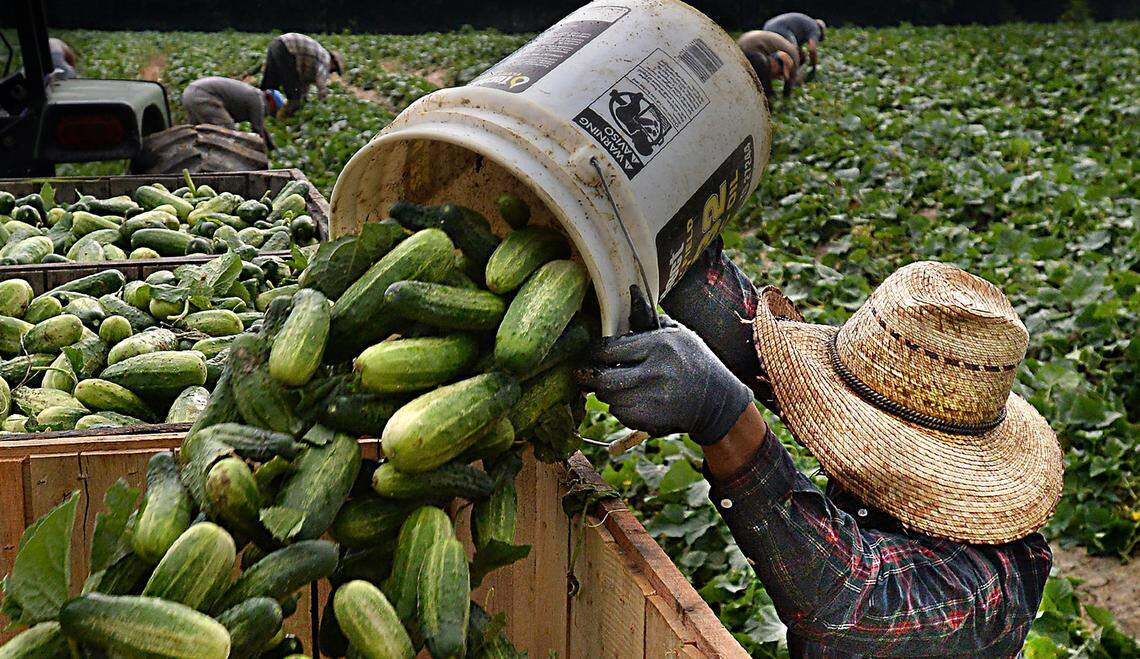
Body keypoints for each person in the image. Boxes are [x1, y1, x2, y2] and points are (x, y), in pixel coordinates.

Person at [580, 239, 1063, 655]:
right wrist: (677, 256)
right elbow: (773, 363)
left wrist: (724, 417)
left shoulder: (991, 588)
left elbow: (853, 593)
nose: (841, 424)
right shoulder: (896, 451)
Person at [182, 77, 285, 150]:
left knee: (196, 132)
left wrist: (272, 148)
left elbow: (261, 128)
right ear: (271, 100)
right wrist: (266, 152)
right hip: (202, 95)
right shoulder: (258, 100)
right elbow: (258, 129)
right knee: (227, 131)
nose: (273, 112)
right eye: (275, 108)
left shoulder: (254, 95)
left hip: (190, 93)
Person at [260, 33, 345, 117]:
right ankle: (284, 119)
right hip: (287, 48)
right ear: (334, 62)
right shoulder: (326, 59)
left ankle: (260, 112)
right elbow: (321, 85)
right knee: (294, 97)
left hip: (277, 44)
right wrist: (324, 105)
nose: (331, 72)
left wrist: (304, 98)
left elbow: (303, 83)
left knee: (269, 86)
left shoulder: (314, 60)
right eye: (334, 69)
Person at [738, 30, 800, 99]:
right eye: (780, 73)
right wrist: (785, 98)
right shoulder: (794, 59)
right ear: (775, 63)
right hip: (751, 45)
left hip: (743, 39)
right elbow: (788, 84)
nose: (778, 77)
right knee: (762, 79)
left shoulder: (787, 52)